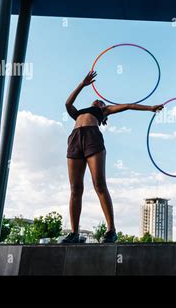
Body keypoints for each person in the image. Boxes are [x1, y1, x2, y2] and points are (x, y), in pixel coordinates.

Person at [60, 71, 163, 243]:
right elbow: (67, 103)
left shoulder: (103, 111)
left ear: (104, 111)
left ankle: (111, 230)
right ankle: (74, 233)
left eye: (101, 102)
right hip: (75, 139)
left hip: (93, 138)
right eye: (98, 100)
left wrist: (150, 108)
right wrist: (82, 84)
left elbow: (129, 105)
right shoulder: (77, 114)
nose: (98, 101)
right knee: (75, 189)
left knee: (99, 185)